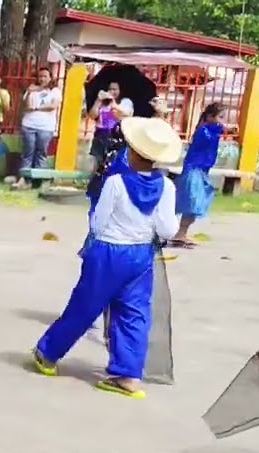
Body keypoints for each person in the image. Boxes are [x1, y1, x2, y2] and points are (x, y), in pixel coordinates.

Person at [31, 117, 183, 399]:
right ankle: (128, 376)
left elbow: (99, 223)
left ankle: (48, 354)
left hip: (108, 251)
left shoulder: (115, 182)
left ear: (133, 152)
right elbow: (168, 229)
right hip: (141, 255)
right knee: (134, 313)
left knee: (84, 305)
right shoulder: (168, 188)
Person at [171, 102, 226, 248]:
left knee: (194, 205)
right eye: (220, 117)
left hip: (201, 171)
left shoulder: (211, 130)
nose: (222, 121)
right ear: (210, 117)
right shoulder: (204, 131)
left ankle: (181, 233)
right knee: (193, 204)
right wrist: (223, 128)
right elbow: (212, 135)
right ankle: (179, 232)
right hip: (193, 170)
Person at [17, 67, 62, 190]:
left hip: (46, 126)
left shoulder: (55, 91)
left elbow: (53, 106)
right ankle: (24, 179)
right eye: (40, 76)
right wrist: (30, 91)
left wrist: (37, 108)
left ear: (50, 77)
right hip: (29, 124)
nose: (42, 79)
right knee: (28, 152)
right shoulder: (32, 89)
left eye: (45, 76)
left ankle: (37, 180)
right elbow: (26, 105)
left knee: (41, 153)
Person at [88, 81, 134, 167]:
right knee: (97, 164)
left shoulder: (125, 102)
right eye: (110, 89)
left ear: (120, 90)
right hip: (100, 135)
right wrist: (98, 101)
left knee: (114, 164)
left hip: (116, 137)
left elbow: (127, 113)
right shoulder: (103, 102)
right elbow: (92, 115)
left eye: (115, 89)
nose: (112, 91)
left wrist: (114, 103)